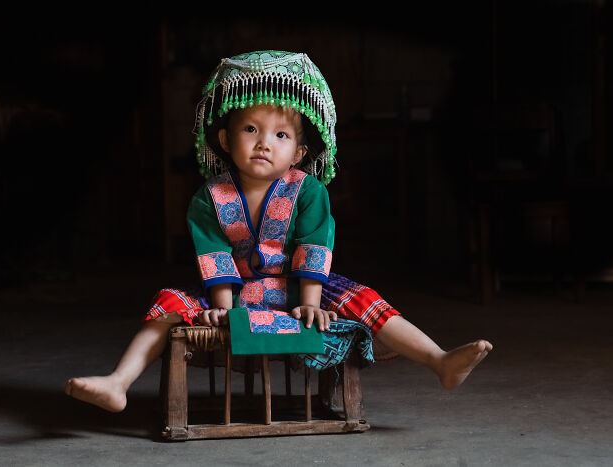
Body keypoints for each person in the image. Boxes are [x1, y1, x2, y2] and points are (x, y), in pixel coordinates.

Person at [65, 51, 492, 413]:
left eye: (281, 134)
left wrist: (309, 303)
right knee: (167, 303)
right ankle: (119, 381)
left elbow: (314, 245)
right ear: (225, 138)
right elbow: (213, 254)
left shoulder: (307, 190)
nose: (264, 142)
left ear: (299, 152)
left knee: (364, 300)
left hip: (297, 289)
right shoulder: (208, 197)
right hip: (236, 291)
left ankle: (439, 361)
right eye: (250, 129)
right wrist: (222, 308)